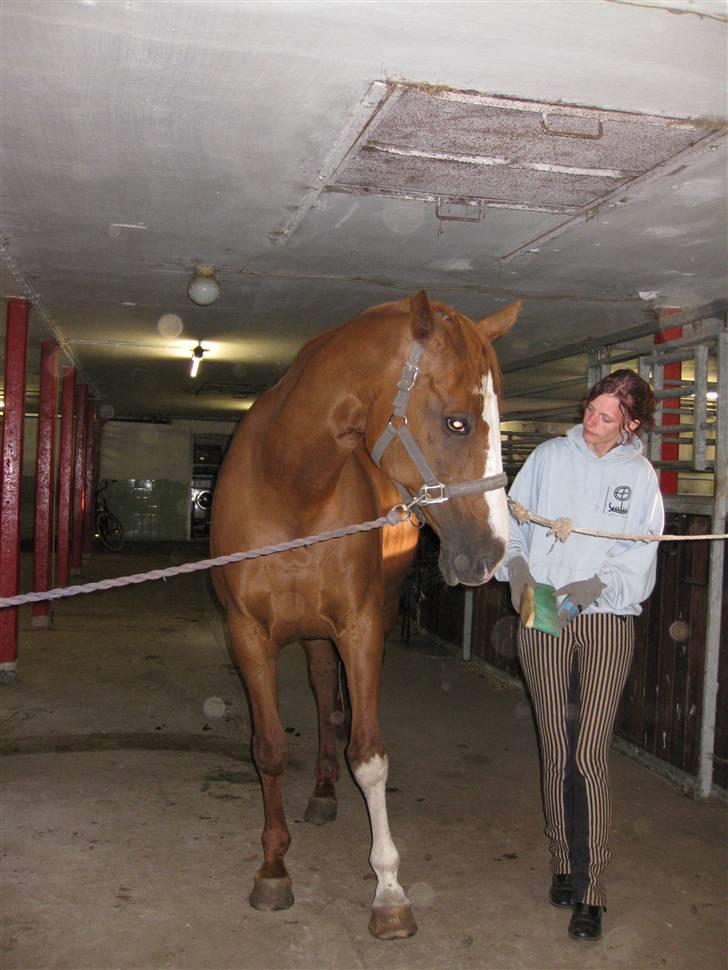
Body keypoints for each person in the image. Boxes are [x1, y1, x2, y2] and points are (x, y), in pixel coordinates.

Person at [496, 369, 664, 942]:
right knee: (555, 740)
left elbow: (639, 554)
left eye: (606, 417)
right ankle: (562, 861)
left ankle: (592, 890)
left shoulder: (639, 476)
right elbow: (513, 527)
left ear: (631, 425)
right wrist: (519, 576)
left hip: (605, 618)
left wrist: (592, 589)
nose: (591, 422)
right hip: (542, 608)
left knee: (588, 752)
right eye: (591, 410)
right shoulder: (547, 456)